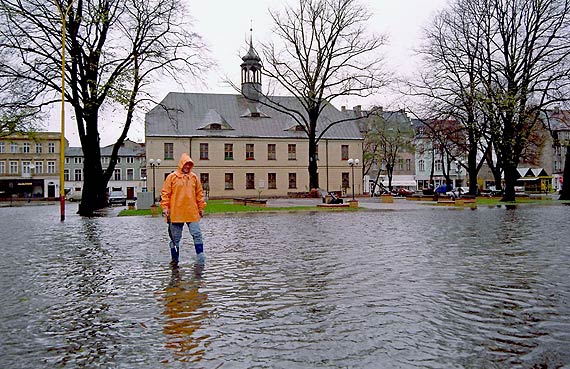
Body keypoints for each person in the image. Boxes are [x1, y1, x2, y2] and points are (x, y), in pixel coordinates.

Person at [160, 153, 207, 264]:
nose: (187, 167)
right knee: (175, 238)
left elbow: (199, 193)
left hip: (192, 211)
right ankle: (175, 259)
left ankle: (200, 257)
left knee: (197, 234)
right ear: (181, 164)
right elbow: (165, 193)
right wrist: (165, 207)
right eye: (185, 164)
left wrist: (201, 207)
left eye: (189, 165)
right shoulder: (172, 177)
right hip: (176, 212)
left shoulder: (194, 177)